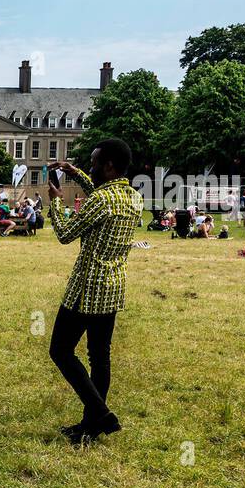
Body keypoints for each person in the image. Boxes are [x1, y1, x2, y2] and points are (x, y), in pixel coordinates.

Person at [46, 139, 142, 447]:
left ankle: (101, 414)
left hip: (87, 287)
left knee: (60, 351)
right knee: (99, 357)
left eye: (94, 162)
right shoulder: (132, 197)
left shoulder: (101, 201)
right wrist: (74, 172)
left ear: (109, 165)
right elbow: (101, 192)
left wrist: (56, 202)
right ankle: (89, 428)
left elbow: (64, 235)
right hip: (113, 286)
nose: (91, 166)